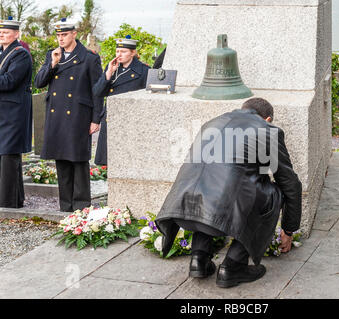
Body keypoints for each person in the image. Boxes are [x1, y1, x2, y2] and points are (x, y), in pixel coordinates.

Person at [155, 98, 302, 288]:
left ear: (243, 109)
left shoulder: (212, 123)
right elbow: (289, 182)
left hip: (181, 211)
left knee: (213, 187)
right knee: (274, 192)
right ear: (267, 119)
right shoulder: (267, 130)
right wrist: (288, 229)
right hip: (219, 218)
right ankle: (233, 266)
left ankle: (199, 259)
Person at [35, 18, 103, 212]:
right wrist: (53, 64)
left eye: (64, 34)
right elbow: (39, 82)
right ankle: (65, 207)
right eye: (58, 35)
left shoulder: (89, 58)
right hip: (56, 116)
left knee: (78, 160)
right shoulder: (53, 55)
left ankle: (82, 208)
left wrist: (95, 119)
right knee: (61, 160)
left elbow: (97, 91)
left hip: (78, 115)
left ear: (74, 34)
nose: (61, 39)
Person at [93, 35, 150, 166]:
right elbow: (98, 93)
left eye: (123, 51)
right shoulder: (112, 68)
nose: (119, 55)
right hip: (111, 120)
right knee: (110, 162)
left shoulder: (144, 70)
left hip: (130, 122)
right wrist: (108, 74)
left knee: (127, 162)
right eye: (117, 51)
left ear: (133, 53)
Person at [0, 17, 33, 208]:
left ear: (16, 34)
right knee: (3, 157)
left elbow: (10, 80)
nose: (1, 34)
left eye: (5, 32)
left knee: (9, 156)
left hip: (13, 114)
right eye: (0, 32)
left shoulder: (21, 54)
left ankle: (8, 202)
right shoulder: (2, 52)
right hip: (3, 112)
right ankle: (14, 198)